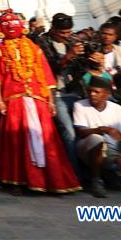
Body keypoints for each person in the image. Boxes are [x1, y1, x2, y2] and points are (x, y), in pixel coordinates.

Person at [0, 9, 80, 195]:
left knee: (46, 138)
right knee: (17, 140)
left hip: (38, 98)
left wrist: (51, 101)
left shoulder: (33, 47)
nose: (12, 28)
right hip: (13, 99)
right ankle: (18, 180)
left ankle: (51, 180)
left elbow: (47, 75)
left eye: (14, 24)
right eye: (7, 25)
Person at [73, 77, 121, 198]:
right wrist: (103, 129)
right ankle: (97, 181)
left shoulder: (118, 109)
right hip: (87, 147)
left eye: (96, 91)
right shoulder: (80, 105)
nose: (92, 94)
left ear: (106, 94)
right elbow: (81, 132)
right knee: (97, 139)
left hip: (110, 150)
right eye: (90, 91)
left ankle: (114, 177)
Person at [33, 12, 80, 170]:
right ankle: (73, 172)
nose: (66, 36)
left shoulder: (73, 41)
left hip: (75, 91)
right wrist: (68, 56)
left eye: (69, 32)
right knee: (68, 132)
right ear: (53, 29)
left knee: (81, 130)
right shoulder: (42, 41)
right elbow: (48, 68)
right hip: (55, 95)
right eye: (62, 33)